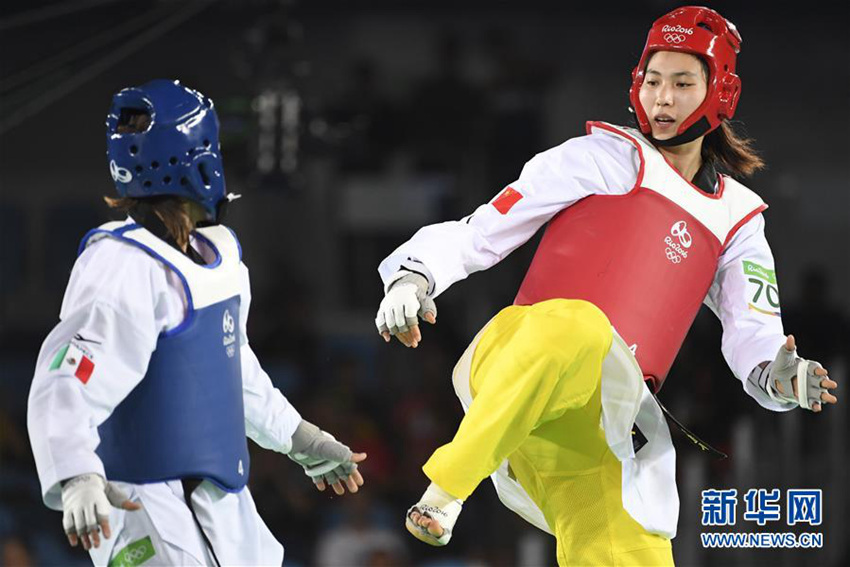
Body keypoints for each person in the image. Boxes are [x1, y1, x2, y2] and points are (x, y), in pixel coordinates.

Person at [374, 6, 838, 566]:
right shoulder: (596, 157)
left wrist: (779, 377)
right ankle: (445, 490)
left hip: (601, 422)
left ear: (722, 93)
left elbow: (755, 336)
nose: (661, 98)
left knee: (634, 553)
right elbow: (481, 233)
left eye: (683, 83)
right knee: (581, 326)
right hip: (521, 359)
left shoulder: (739, 220)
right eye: (653, 80)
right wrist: (412, 276)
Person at [27, 79, 367, 566]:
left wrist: (297, 437)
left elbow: (229, 367)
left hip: (218, 498)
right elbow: (65, 375)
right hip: (145, 504)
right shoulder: (122, 266)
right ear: (199, 158)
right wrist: (76, 472)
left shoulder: (219, 255)